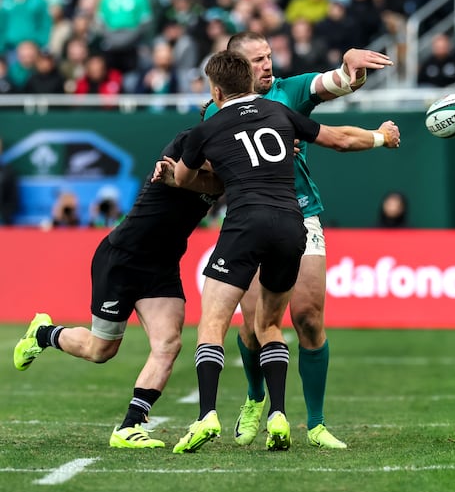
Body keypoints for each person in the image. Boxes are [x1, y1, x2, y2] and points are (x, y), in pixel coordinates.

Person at [170, 49, 400, 454]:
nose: (267, 63)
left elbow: (189, 180)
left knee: (215, 321)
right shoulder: (280, 116)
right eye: (258, 58)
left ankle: (209, 414)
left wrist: (181, 172)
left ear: (217, 89)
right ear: (246, 73)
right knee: (266, 325)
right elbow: (340, 138)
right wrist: (382, 136)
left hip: (248, 223)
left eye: (268, 56)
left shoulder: (210, 125)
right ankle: (272, 408)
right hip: (289, 224)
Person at [13, 128, 225, 449]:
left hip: (163, 265)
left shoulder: (229, 162)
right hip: (123, 257)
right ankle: (43, 334)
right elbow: (185, 173)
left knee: (168, 344)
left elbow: (217, 181)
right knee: (101, 351)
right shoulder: (187, 143)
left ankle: (130, 426)